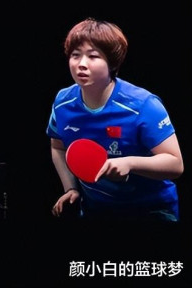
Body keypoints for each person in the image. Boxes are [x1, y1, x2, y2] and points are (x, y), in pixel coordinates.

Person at [47, 17, 183, 221]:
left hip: (151, 211)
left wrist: (130, 163)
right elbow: (58, 147)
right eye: (75, 55)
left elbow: (175, 164)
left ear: (112, 63)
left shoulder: (143, 105)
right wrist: (71, 188)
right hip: (96, 211)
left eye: (93, 56)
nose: (81, 64)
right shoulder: (62, 102)